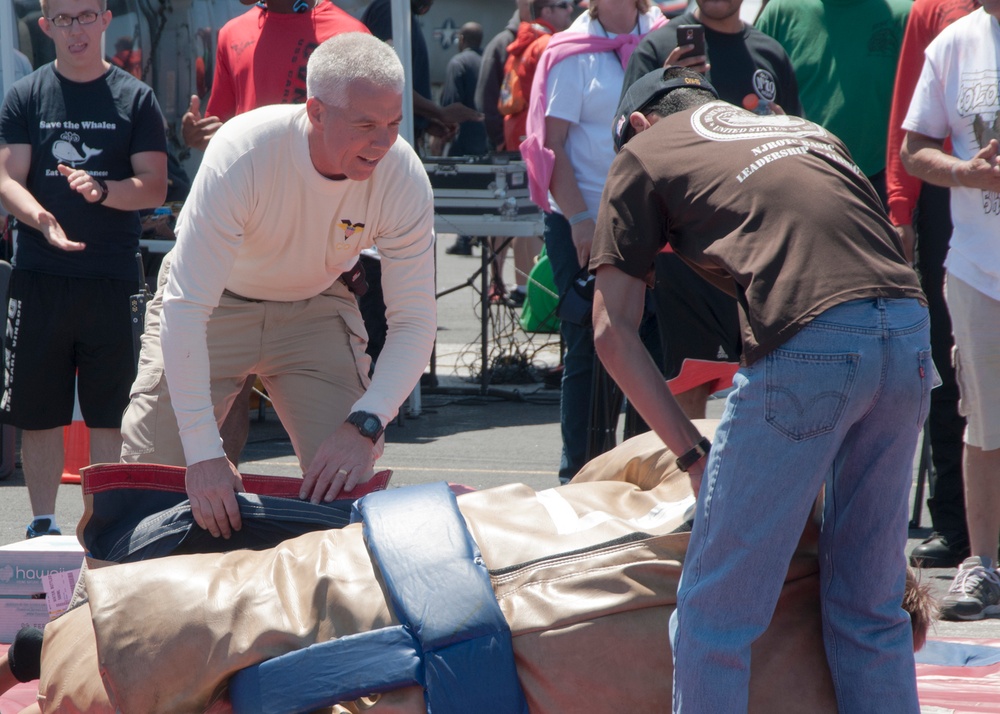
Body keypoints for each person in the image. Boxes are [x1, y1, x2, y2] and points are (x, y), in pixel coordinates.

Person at [11, 430, 935, 714]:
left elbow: (641, 457)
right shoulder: (794, 678)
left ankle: (37, 654)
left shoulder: (723, 504)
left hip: (144, 621)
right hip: (175, 675)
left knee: (298, 598)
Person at [592, 67, 930, 712]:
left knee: (713, 615)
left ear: (637, 124)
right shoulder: (802, 129)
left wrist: (692, 455)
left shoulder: (643, 150)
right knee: (871, 604)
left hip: (812, 342)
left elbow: (613, 334)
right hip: (908, 333)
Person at [118, 32, 437, 542]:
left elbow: (416, 320)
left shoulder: (403, 175)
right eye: (366, 125)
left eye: (395, 124)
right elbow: (184, 307)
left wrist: (366, 426)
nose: (384, 142)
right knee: (152, 482)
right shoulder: (244, 152)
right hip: (213, 305)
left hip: (314, 308)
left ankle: (338, 615)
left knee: (351, 486)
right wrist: (203, 455)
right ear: (316, 112)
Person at [0, 0, 167, 538]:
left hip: (110, 276)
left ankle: (104, 527)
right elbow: (7, 178)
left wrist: (103, 191)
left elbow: (155, 186)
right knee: (37, 409)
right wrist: (41, 217)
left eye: (86, 16)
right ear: (45, 26)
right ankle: (43, 522)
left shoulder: (135, 97)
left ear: (104, 19)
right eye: (63, 20)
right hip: (39, 275)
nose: (76, 29)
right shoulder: (26, 94)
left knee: (110, 412)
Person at [176, 0, 368, 466]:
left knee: (328, 428)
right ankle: (224, 508)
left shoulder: (347, 33)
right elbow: (222, 125)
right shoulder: (232, 32)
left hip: (313, 244)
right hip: (241, 236)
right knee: (224, 395)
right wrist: (197, 136)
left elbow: (370, 134)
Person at [621, 0, 799, 418]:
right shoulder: (657, 47)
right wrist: (665, 91)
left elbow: (796, 143)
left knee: (776, 389)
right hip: (685, 255)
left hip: (760, 249)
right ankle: (683, 483)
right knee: (686, 391)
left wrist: (779, 122)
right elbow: (627, 148)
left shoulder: (770, 52)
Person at [521, 0, 664, 483]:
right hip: (582, 219)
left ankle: (644, 476)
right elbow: (552, 144)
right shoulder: (569, 52)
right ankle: (577, 478)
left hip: (651, 221)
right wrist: (582, 219)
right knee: (588, 345)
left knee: (654, 349)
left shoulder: (665, 38)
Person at [900, 2, 1000, 620]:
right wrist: (966, 171)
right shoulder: (955, 41)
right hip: (976, 267)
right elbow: (912, 149)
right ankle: (982, 566)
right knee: (984, 423)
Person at [887, 0, 978, 569]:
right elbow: (907, 114)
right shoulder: (932, 13)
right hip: (950, 197)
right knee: (950, 367)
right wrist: (901, 208)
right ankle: (956, 523)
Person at [756, 0, 910, 205]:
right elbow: (752, 92)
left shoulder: (904, 13)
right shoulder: (781, 11)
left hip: (884, 186)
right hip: (797, 183)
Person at [181, 0, 368, 152]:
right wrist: (197, 134)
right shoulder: (231, 34)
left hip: (315, 193)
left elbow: (366, 134)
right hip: (249, 191)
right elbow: (221, 134)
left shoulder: (350, 37)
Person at [361, 0, 482, 149]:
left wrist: (424, 122)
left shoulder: (400, 13)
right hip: (386, 144)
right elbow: (386, 83)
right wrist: (438, 112)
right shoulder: (390, 10)